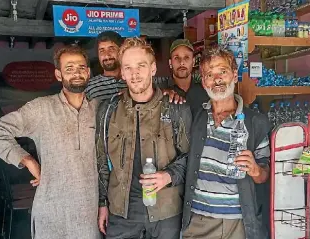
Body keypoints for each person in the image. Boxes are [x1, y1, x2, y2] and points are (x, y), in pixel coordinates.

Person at [0, 45, 100, 239]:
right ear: (58, 74)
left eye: (81, 68)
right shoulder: (41, 108)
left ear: (88, 73)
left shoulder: (99, 109)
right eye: (69, 68)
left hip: (88, 211)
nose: (76, 73)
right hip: (51, 210)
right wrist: (28, 160)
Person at [96, 37, 192, 239]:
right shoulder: (108, 110)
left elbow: (192, 156)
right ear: (121, 72)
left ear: (153, 68)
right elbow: (102, 161)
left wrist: (169, 175)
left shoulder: (176, 107)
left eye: (141, 65)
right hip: (121, 214)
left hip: (167, 213)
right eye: (128, 67)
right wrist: (103, 204)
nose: (135, 73)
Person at [182, 47, 271, 239]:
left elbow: (266, 174)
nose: (217, 79)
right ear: (204, 82)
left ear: (234, 74)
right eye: (209, 74)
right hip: (199, 221)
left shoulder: (255, 123)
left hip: (238, 223)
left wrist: (256, 170)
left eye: (222, 71)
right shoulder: (195, 118)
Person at [85, 31, 184, 104]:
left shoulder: (145, 78)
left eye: (111, 49)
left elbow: (156, 93)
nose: (107, 55)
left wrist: (166, 93)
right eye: (102, 50)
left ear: (121, 51)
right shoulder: (89, 87)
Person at [167, 39, 209, 113]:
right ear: (170, 63)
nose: (182, 62)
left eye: (186, 57)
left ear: (193, 62)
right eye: (176, 58)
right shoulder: (161, 90)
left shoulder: (205, 88)